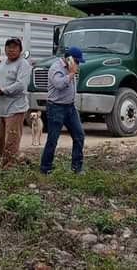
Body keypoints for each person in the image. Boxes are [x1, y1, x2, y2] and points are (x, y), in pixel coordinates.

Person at [0, 37, 32, 168]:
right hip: (2, 109)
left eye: (14, 48)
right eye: (9, 47)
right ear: (5, 49)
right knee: (1, 141)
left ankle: (9, 169)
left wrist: (1, 91)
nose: (11, 50)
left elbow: (21, 85)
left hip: (15, 108)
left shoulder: (23, 64)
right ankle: (9, 163)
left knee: (11, 141)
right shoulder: (3, 63)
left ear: (20, 50)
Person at [40, 46, 87, 175]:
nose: (77, 64)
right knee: (53, 139)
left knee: (79, 136)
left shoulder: (72, 68)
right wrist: (71, 74)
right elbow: (59, 84)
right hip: (56, 107)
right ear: (69, 59)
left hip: (70, 107)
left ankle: (77, 167)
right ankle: (45, 168)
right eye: (76, 61)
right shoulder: (56, 68)